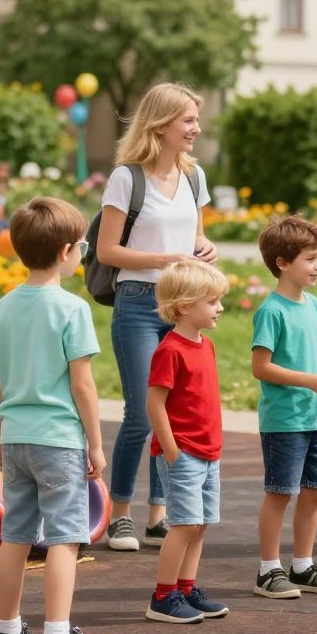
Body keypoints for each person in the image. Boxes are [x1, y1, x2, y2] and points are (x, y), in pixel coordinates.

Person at [0, 197, 111, 634]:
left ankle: (9, 633)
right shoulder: (71, 309)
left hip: (15, 435)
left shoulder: (4, 306)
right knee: (65, 537)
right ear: (65, 251)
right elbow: (82, 383)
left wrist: (1, 434)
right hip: (58, 439)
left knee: (14, 536)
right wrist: (95, 444)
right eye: (81, 245)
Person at [95, 83, 217, 552]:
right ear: (161, 123)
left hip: (182, 305)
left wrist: (203, 250)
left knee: (179, 414)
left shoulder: (193, 177)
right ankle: (120, 512)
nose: (195, 129)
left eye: (195, 120)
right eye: (187, 120)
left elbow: (197, 239)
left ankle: (160, 512)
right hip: (139, 303)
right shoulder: (127, 178)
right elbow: (108, 250)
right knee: (142, 412)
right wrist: (169, 259)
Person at [251, 215, 317, 599]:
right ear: (282, 263)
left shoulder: (314, 305)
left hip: (314, 417)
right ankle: (268, 570)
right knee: (280, 492)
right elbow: (261, 366)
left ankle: (303, 565)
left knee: (314, 491)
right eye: (310, 258)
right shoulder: (271, 311)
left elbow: (316, 353)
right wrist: (311, 381)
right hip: (284, 421)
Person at [145, 260, 232, 624]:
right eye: (212, 301)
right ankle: (163, 597)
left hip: (208, 452)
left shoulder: (205, 345)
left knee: (199, 524)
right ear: (184, 306)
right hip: (183, 453)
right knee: (183, 524)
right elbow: (155, 402)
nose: (220, 308)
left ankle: (185, 588)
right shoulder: (170, 350)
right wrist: (171, 448)